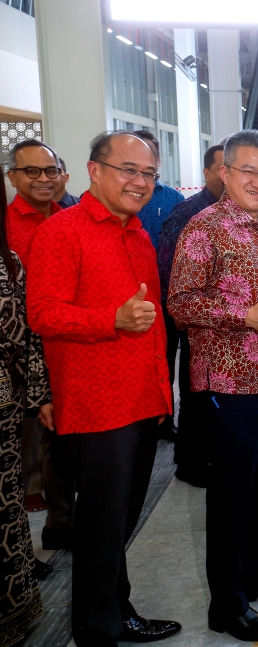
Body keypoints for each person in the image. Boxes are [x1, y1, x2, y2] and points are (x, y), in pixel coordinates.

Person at [27, 130, 180, 646]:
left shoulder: (137, 233)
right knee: (100, 529)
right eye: (128, 170)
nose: (140, 182)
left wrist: (162, 392)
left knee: (119, 524)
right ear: (94, 171)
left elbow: (153, 325)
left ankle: (119, 611)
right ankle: (97, 632)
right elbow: (43, 313)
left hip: (141, 401)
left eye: (149, 174)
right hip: (98, 406)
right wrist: (110, 319)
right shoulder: (62, 232)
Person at [168, 129, 258, 643]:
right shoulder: (204, 227)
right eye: (247, 171)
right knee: (231, 499)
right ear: (224, 173)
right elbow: (180, 304)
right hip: (229, 387)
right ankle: (227, 606)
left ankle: (257, 572)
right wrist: (242, 316)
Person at [4, 139, 76, 551]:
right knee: (21, 449)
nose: (43, 180)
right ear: (13, 176)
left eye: (51, 171)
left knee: (62, 441)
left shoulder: (67, 215)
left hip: (61, 342)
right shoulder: (7, 224)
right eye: (32, 171)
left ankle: (61, 525)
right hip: (17, 354)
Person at [156, 143, 225, 488]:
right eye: (223, 167)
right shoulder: (189, 212)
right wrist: (180, 310)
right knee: (197, 392)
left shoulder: (242, 212)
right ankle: (190, 461)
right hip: (196, 320)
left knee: (216, 395)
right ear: (208, 172)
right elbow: (167, 267)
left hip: (231, 326)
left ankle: (210, 453)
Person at [0, 179, 49, 645]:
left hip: (8, 404)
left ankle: (13, 611)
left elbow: (28, 330)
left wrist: (36, 394)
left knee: (7, 503)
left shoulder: (8, 261)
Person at [133, 129, 184, 251]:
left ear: (159, 161)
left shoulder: (175, 199)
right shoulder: (117, 197)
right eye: (137, 153)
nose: (144, 158)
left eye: (150, 153)